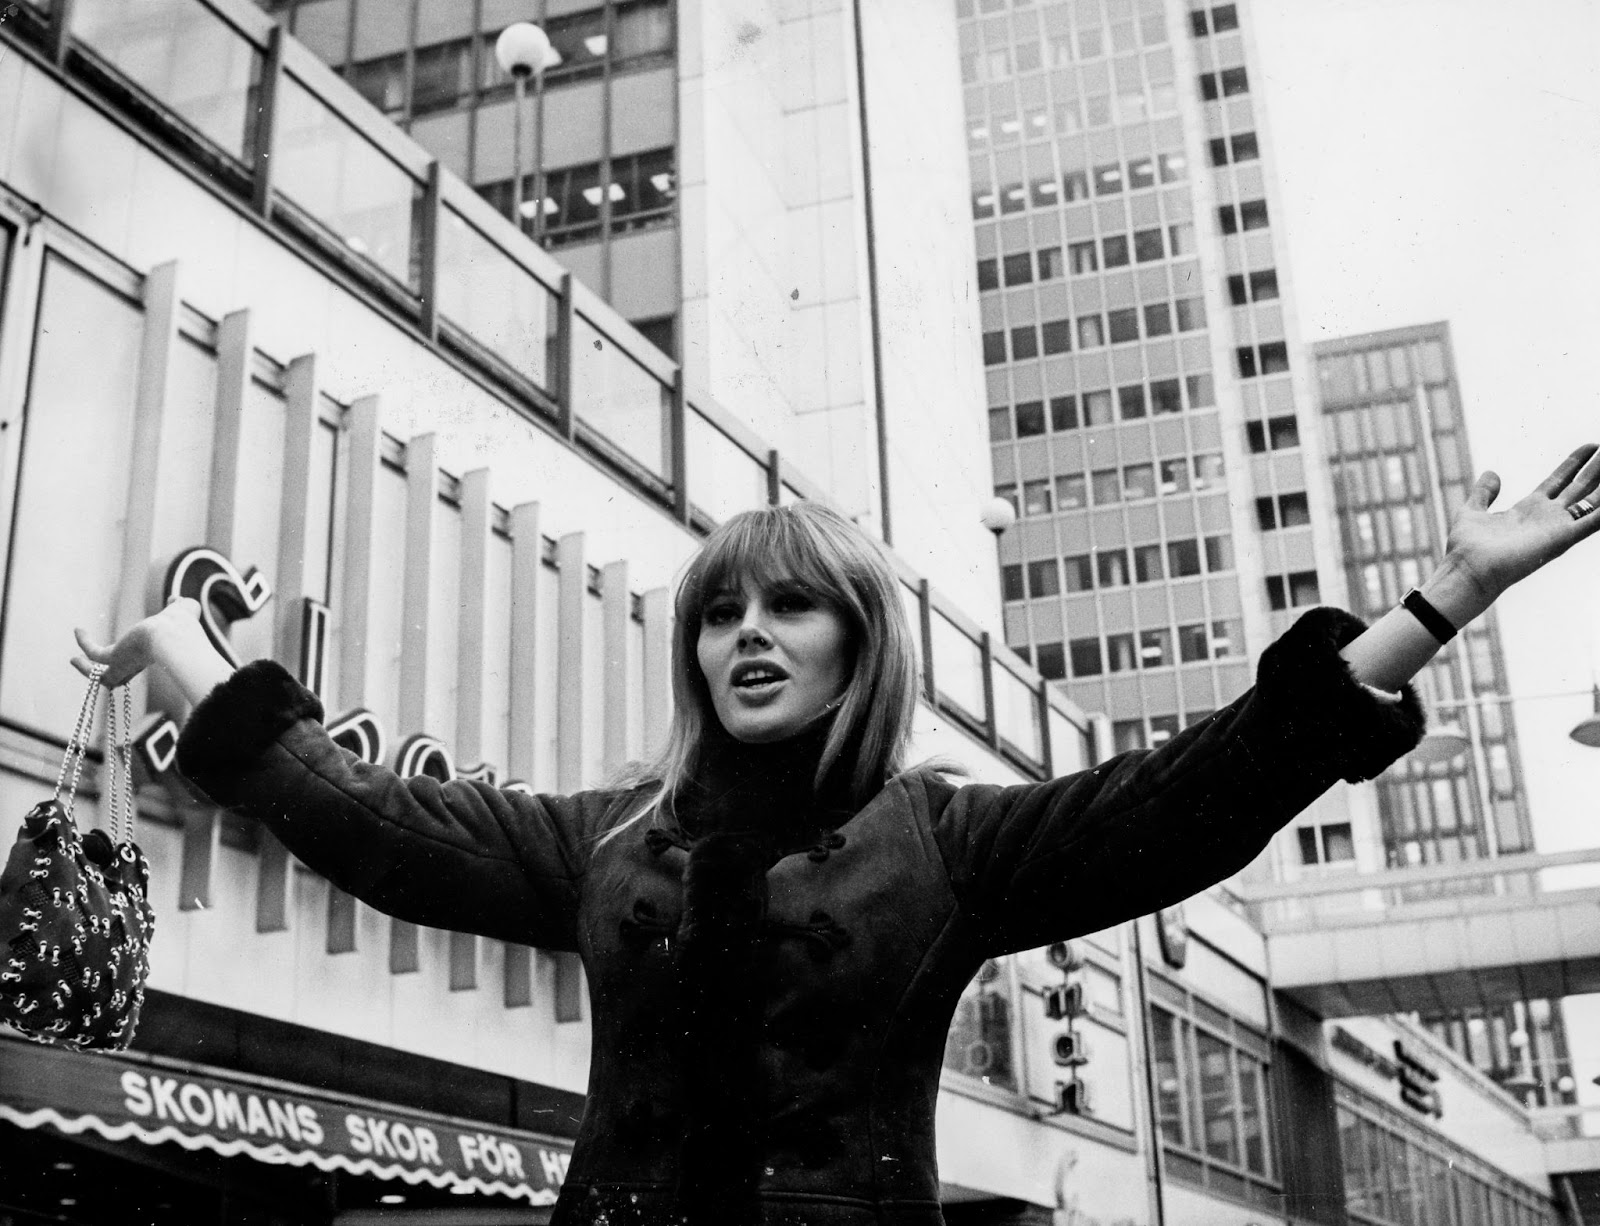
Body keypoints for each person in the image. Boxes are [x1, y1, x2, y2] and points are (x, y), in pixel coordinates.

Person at [75, 448, 1600, 1226]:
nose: (748, 633)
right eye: (721, 609)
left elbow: (1191, 796)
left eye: (789, 604)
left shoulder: (938, 843)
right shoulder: (613, 841)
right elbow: (384, 824)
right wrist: (191, 669)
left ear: (857, 640)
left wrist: (1440, 601)